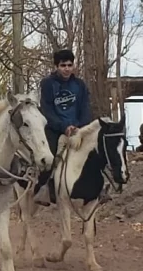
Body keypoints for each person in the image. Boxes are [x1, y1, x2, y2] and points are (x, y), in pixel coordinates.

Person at [36, 49, 92, 204]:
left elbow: (86, 108)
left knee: (96, 152)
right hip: (54, 129)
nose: (67, 68)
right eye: (63, 65)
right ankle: (44, 188)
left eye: (69, 65)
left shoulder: (79, 85)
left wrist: (79, 126)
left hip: (79, 128)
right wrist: (64, 127)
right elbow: (47, 111)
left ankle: (99, 188)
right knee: (49, 157)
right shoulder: (48, 84)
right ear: (56, 66)